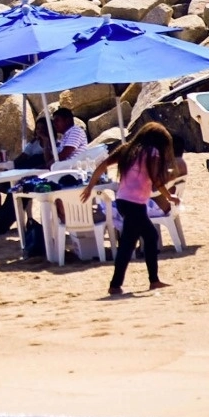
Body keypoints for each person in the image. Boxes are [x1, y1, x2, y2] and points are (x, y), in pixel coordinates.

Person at [80, 122, 178, 295]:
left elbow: (102, 166)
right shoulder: (153, 153)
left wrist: (90, 187)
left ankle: (146, 281)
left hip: (124, 201)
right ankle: (120, 284)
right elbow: (156, 180)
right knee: (133, 242)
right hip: (135, 204)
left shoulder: (127, 149)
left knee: (142, 238)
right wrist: (169, 196)